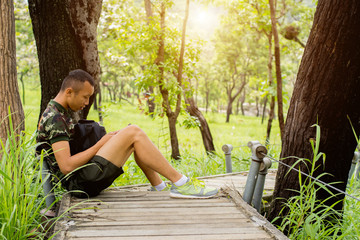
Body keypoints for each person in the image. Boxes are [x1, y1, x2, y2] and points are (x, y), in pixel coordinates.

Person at [36, 69, 218, 199]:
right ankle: (181, 183)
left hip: (83, 178)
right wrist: (101, 144)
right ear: (69, 92)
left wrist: (106, 141)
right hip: (78, 185)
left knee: (131, 136)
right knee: (133, 132)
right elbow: (66, 167)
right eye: (85, 97)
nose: (87, 102)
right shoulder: (54, 118)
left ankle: (160, 186)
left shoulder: (59, 112)